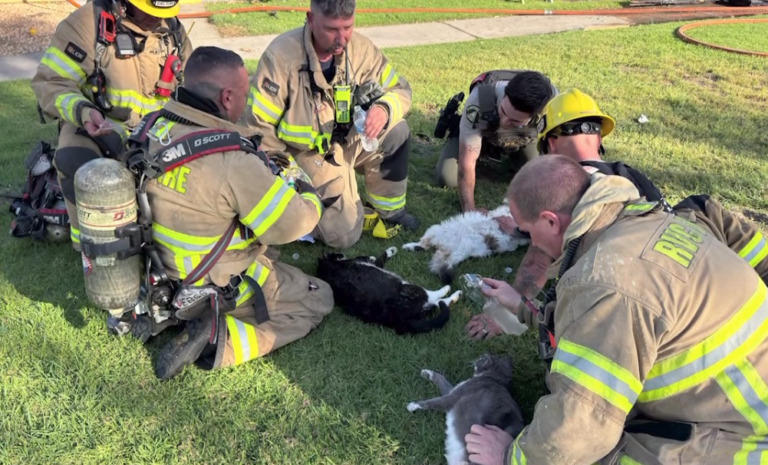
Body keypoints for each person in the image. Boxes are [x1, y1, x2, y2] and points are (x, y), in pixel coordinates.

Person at [465, 155, 768, 465]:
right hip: (736, 399)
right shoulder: (641, 223)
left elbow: (579, 428)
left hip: (744, 436)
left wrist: (509, 456)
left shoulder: (605, 283)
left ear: (551, 221)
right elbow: (607, 319)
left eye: (528, 231)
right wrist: (524, 307)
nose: (531, 241)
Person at [464, 88, 768, 341]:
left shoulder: (569, 198)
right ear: (598, 138)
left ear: (551, 145)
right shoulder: (628, 179)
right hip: (710, 275)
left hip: (654, 308)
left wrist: (502, 318)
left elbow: (539, 260)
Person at [140, 46, 334, 380]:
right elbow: (293, 224)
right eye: (245, 95)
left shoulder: (150, 127)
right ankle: (216, 344)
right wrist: (309, 194)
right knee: (318, 297)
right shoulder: (233, 161)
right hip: (205, 281)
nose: (247, 104)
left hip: (150, 272)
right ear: (227, 98)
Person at [241, 0, 417, 249]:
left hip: (347, 141)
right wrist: (289, 178)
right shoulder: (280, 58)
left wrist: (383, 109)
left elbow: (400, 89)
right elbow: (259, 131)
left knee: (397, 130)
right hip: (304, 156)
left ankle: (389, 210)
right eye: (332, 29)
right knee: (343, 234)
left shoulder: (361, 49)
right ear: (311, 19)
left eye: (348, 27)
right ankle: (303, 212)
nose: (342, 38)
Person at [30, 0, 192, 251]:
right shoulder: (87, 24)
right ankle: (90, 247)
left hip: (159, 133)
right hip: (100, 128)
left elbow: (191, 88)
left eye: (161, 12)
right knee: (76, 160)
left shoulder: (172, 32)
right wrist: (83, 111)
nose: (155, 18)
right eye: (148, 10)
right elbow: (51, 82)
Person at [433, 70, 556, 212]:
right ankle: (485, 152)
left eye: (515, 120)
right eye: (503, 111)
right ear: (504, 94)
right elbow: (467, 161)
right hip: (483, 133)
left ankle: (514, 156)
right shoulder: (478, 101)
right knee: (448, 177)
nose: (504, 121)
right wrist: (469, 209)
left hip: (526, 137)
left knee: (537, 175)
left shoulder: (552, 105)